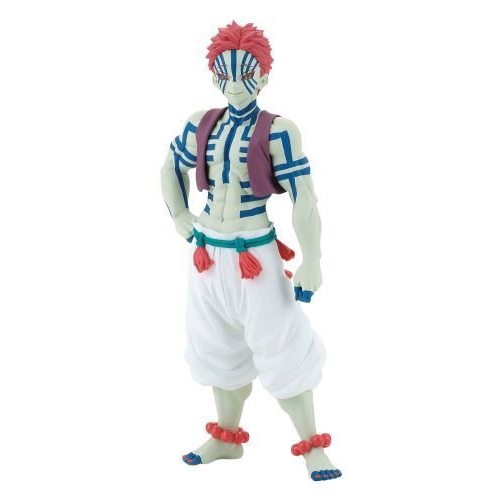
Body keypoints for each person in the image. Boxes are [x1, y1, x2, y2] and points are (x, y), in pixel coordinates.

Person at [160, 21, 341, 482]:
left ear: (263, 76)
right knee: (215, 345)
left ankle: (311, 446)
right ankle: (226, 437)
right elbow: (170, 167)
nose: (235, 84)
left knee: (283, 346)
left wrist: (313, 260)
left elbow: (304, 198)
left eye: (246, 73)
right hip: (206, 255)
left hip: (254, 257)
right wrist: (180, 216)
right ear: (214, 76)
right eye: (225, 74)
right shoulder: (200, 123)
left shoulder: (279, 131)